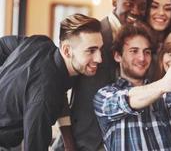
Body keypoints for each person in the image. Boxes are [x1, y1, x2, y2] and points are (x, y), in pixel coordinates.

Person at [52, 0, 148, 151]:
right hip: (80, 141)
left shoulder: (137, 41)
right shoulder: (93, 36)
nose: (136, 11)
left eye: (142, 6)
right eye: (129, 3)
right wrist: (69, 143)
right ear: (114, 2)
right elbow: (59, 90)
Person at [93, 22, 171, 151]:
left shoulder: (164, 95)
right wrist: (163, 84)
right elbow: (127, 100)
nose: (142, 58)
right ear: (118, 55)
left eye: (146, 52)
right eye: (134, 51)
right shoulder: (104, 95)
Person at [0, 14, 103, 151]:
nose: (99, 59)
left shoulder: (40, 43)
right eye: (91, 50)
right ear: (67, 50)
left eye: (100, 49)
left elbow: (3, 45)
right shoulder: (46, 96)